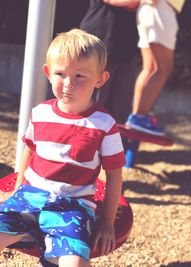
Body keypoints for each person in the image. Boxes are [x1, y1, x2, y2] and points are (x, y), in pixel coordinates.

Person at [0, 29, 126, 267]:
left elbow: (114, 174)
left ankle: (46, 240)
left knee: (75, 263)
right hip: (29, 197)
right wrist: (17, 191)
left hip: (72, 207)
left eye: (80, 76)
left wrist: (107, 222)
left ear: (100, 79)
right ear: (48, 72)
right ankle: (28, 231)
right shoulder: (41, 113)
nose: (68, 84)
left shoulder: (104, 125)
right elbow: (30, 149)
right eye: (61, 74)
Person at [103, 0, 185, 136]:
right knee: (163, 68)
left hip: (149, 10)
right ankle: (140, 117)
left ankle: (137, 117)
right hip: (159, 9)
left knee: (151, 68)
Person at [79, 0, 139, 125]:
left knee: (121, 111)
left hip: (128, 49)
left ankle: (117, 143)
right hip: (97, 46)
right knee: (91, 107)